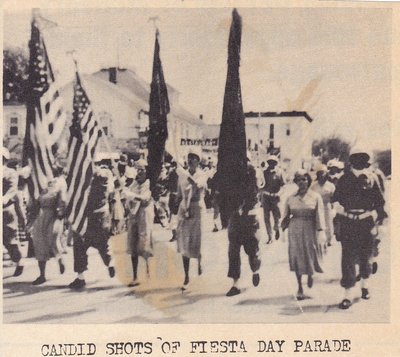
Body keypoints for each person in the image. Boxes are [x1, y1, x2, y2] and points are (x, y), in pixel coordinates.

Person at [332, 147, 385, 309]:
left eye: (363, 158)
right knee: (347, 259)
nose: (360, 161)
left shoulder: (372, 179)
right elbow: (335, 200)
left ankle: (365, 286)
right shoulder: (344, 179)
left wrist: (381, 223)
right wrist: (339, 209)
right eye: (357, 158)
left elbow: (380, 203)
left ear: (367, 161)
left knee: (366, 256)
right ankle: (347, 295)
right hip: (348, 223)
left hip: (366, 222)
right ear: (351, 160)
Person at [69, 161, 116, 289]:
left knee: (79, 246)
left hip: (87, 218)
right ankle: (110, 263)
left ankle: (80, 277)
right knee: (103, 245)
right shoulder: (106, 178)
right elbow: (112, 191)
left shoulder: (89, 181)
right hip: (103, 217)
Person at [281, 169, 325, 300]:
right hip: (294, 229)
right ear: (295, 182)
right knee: (296, 256)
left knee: (311, 253)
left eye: (304, 179)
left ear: (309, 181)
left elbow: (319, 215)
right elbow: (285, 215)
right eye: (299, 180)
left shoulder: (316, 197)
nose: (302, 182)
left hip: (310, 227)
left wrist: (321, 231)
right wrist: (282, 230)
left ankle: (311, 275)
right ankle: (300, 286)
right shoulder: (290, 198)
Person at [226, 159, 261, 297]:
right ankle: (236, 284)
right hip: (235, 218)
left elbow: (253, 193)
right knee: (233, 250)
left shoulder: (253, 172)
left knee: (252, 250)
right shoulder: (230, 173)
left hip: (249, 217)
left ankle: (255, 270)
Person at [176, 152, 207, 290]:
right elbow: (179, 193)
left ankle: (199, 260)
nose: (190, 161)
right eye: (189, 158)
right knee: (184, 242)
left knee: (197, 240)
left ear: (198, 161)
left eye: (193, 159)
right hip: (184, 209)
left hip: (197, 208)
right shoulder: (182, 175)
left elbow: (197, 186)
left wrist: (184, 174)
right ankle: (186, 276)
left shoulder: (202, 174)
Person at [122, 159, 154, 287]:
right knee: (132, 244)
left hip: (144, 215)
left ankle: (148, 272)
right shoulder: (133, 184)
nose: (139, 172)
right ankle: (135, 276)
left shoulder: (149, 183)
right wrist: (126, 196)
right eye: (138, 169)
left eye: (142, 170)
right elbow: (128, 200)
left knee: (144, 243)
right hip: (133, 216)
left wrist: (131, 195)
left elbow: (145, 199)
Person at [29, 174, 66, 285]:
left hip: (54, 215)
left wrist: (60, 213)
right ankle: (42, 275)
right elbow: (35, 202)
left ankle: (60, 259)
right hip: (41, 215)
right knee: (39, 243)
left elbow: (63, 200)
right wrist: (31, 219)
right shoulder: (41, 180)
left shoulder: (60, 181)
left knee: (53, 239)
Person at [3, 147, 24, 277]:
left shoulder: (10, 172)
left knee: (9, 240)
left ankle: (19, 261)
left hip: (6, 209)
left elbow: (12, 189)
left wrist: (4, 198)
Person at [311, 165, 336, 248]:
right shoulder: (313, 186)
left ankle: (329, 239)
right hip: (317, 207)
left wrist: (333, 208)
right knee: (318, 222)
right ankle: (319, 239)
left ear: (326, 174)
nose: (322, 175)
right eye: (320, 173)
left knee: (328, 222)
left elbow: (334, 198)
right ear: (317, 175)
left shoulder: (331, 186)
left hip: (327, 205)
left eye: (323, 173)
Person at [261, 155, 284, 243]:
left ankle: (277, 228)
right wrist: (262, 192)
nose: (271, 164)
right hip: (266, 198)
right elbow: (261, 184)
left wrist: (279, 193)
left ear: (276, 163)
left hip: (275, 198)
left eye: (273, 162)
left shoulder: (279, 173)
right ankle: (270, 236)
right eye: (270, 162)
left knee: (277, 216)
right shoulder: (264, 173)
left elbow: (283, 186)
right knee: (266, 218)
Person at [167, 161, 179, 241]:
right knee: (174, 215)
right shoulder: (175, 173)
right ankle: (175, 234)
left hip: (174, 195)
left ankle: (175, 234)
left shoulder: (173, 173)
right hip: (174, 195)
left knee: (173, 215)